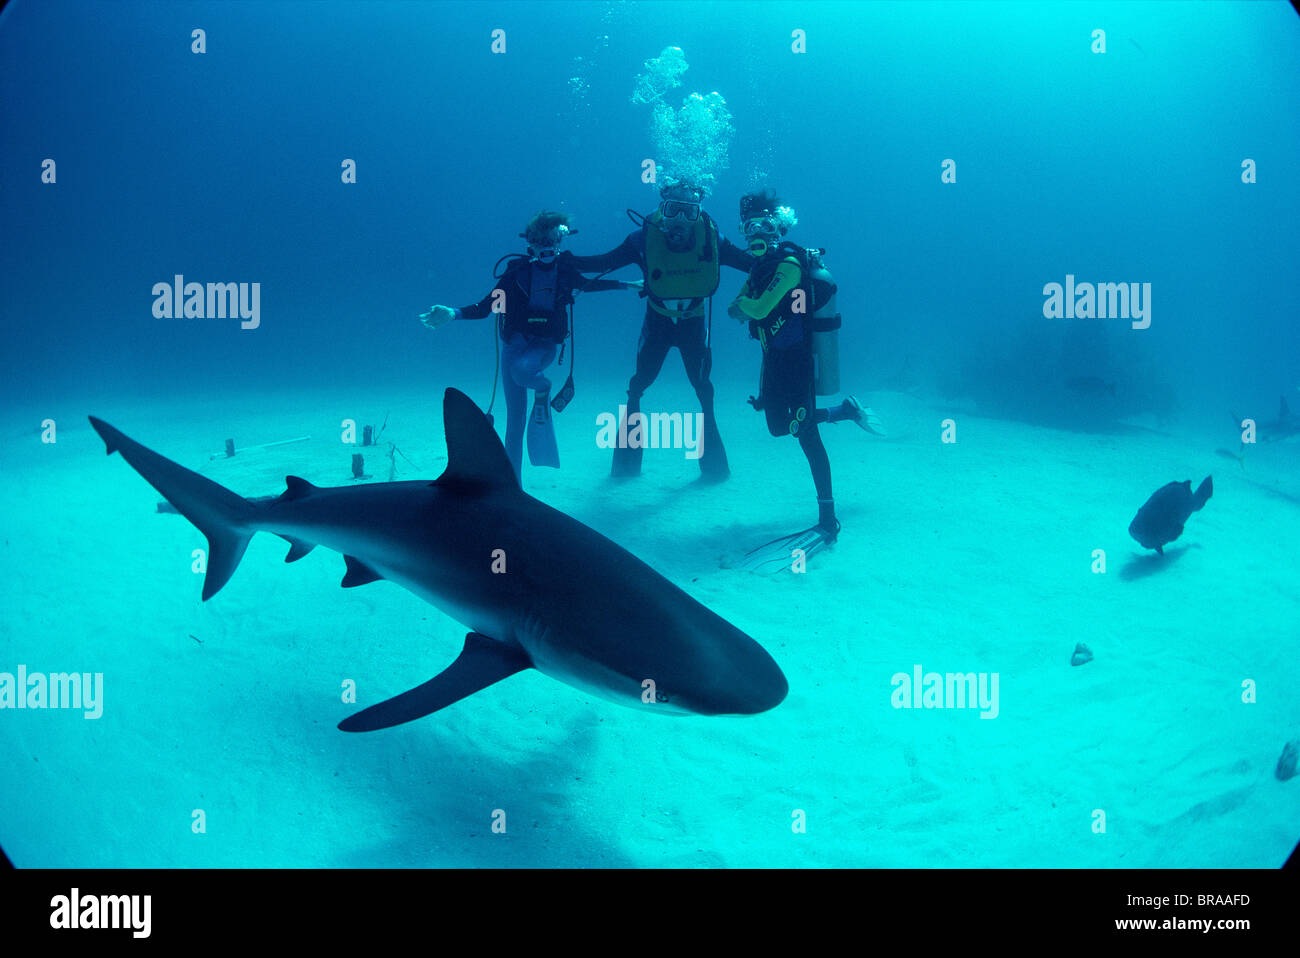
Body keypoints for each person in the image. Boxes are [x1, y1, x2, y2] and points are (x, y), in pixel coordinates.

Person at [726, 189, 882, 563]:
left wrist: (747, 307)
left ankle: (829, 521)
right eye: (749, 227)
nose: (755, 234)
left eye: (763, 225)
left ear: (777, 228)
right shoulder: (759, 268)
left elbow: (754, 306)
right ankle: (844, 412)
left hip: (796, 364)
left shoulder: (789, 263)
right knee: (781, 428)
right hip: (774, 362)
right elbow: (736, 309)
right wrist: (746, 307)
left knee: (806, 435)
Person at [421, 211, 631, 483]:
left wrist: (628, 285)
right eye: (540, 241)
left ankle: (542, 387)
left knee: (522, 371)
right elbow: (486, 307)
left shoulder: (565, 272)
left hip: (542, 348)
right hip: (514, 347)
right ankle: (513, 486)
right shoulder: (515, 274)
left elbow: (591, 284)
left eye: (553, 240)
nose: (547, 247)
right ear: (529, 244)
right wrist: (452, 312)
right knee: (514, 423)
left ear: (560, 241)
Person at [565, 181, 754, 480]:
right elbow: (603, 262)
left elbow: (750, 263)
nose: (679, 219)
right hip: (658, 323)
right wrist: (565, 260)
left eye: (689, 212)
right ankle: (626, 466)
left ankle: (714, 467)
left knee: (703, 389)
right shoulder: (641, 240)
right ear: (661, 210)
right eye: (672, 210)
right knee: (639, 384)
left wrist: (789, 261)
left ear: (699, 213)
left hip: (693, 322)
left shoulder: (712, 240)